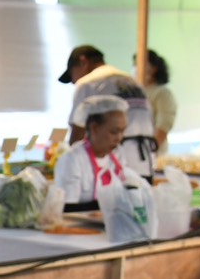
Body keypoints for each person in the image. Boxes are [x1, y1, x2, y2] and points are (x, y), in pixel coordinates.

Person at [61, 44, 156, 179]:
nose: (73, 81)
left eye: (71, 75)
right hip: (145, 164)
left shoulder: (88, 83)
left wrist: (69, 166)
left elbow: (77, 133)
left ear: (83, 61)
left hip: (115, 169)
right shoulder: (133, 82)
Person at [53, 95, 128, 210]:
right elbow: (68, 208)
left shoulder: (118, 155)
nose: (119, 138)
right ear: (94, 128)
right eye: (114, 132)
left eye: (122, 131)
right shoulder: (73, 160)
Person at [145, 49, 177, 153]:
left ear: (153, 68)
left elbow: (163, 125)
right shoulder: (136, 92)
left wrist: (150, 151)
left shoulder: (162, 93)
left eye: (139, 63)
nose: (136, 68)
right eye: (134, 64)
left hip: (152, 154)